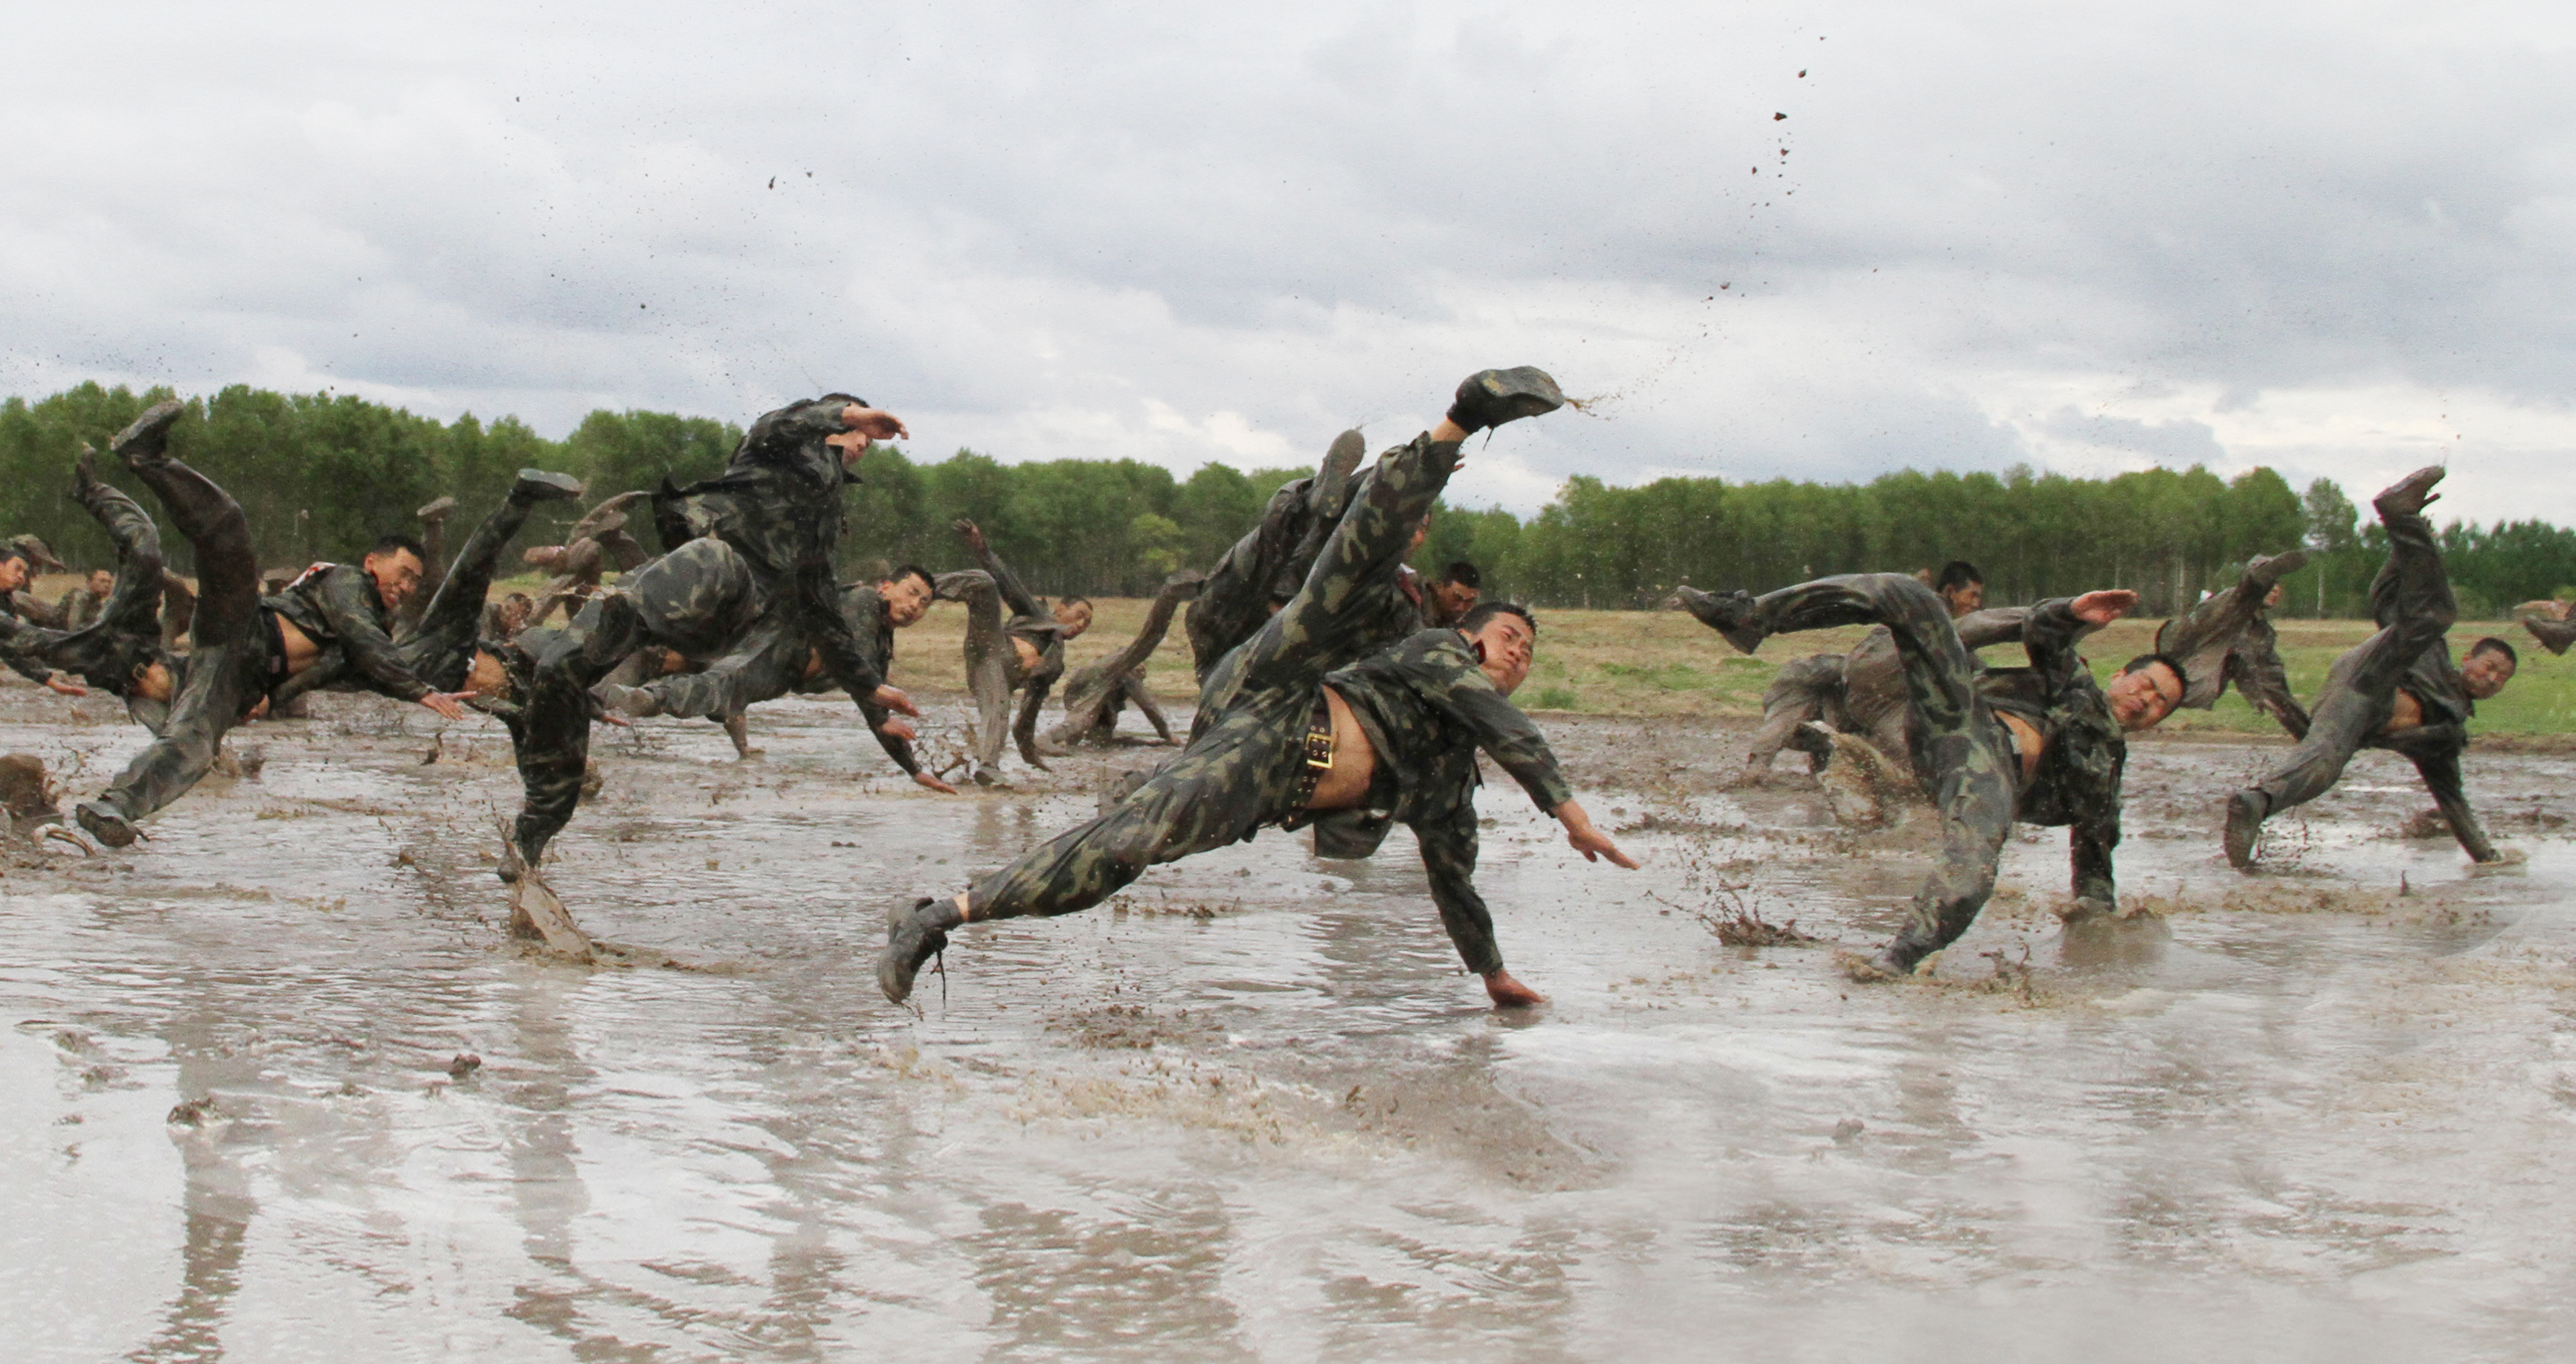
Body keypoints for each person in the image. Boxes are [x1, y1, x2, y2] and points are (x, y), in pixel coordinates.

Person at [878, 367, 1637, 1010]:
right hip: (1277, 697)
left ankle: (935, 914)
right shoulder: (1442, 654)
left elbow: (1456, 881)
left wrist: (1493, 976)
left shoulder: (1445, 779)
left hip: (1259, 775)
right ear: (1474, 635)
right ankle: (1447, 426)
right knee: (1339, 567)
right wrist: (1568, 813)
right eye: (1509, 638)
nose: (1516, 657)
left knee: (1121, 852)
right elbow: (1508, 727)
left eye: (1528, 654)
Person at [68, 400, 582, 846]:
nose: (404, 588)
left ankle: (112, 808)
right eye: (401, 574)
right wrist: (420, 691)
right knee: (227, 531)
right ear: (373, 561)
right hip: (243, 625)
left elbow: (336, 665)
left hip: (242, 676)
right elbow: (371, 632)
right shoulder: (347, 586)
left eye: (412, 583)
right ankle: (147, 458)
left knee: (194, 747)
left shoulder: (436, 660)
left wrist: (274, 697)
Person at [1675, 573, 2183, 979]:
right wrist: (2072, 611)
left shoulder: (2106, 778)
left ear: (2160, 720)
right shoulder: (2075, 685)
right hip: (1954, 716)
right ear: (2121, 675)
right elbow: (2046, 635)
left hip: (1988, 773)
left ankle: (1895, 960)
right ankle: (1750, 616)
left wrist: (2101, 938)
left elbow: (2094, 876)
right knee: (1909, 595)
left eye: (2161, 703)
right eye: (2147, 683)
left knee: (1973, 871)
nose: (2147, 699)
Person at [514, 395, 927, 875]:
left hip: (735, 611)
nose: (863, 442)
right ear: (823, 425)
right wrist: (849, 416)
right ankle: (532, 834)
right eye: (853, 431)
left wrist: (869, 691)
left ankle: (626, 645)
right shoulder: (768, 449)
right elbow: (777, 423)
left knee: (714, 560)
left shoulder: (824, 516)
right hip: (671, 587)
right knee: (556, 665)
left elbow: (820, 605)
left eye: (866, 437)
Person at [2222, 467, 2515, 870]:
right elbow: (2385, 599)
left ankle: (2255, 802)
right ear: (2470, 659)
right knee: (2432, 616)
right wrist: (2403, 544)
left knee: (2324, 767)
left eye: (2501, 679)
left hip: (2356, 714)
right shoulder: (2435, 652)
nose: (2492, 677)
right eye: (2490, 666)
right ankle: (2401, 516)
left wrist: (2489, 859)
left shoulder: (2446, 734)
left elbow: (2453, 803)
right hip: (2370, 674)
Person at [1183, 431, 1368, 685]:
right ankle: (1352, 489)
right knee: (1294, 541)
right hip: (1237, 625)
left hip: (1226, 620)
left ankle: (1323, 491)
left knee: (1278, 541)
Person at [936, 518, 1095, 783]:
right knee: (985, 582)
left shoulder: (1054, 664)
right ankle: (923, 587)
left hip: (993, 677)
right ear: (1059, 610)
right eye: (1079, 615)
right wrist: (980, 546)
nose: (1081, 625)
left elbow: (1028, 714)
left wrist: (1030, 752)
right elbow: (1006, 578)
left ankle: (988, 768)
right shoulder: (1035, 613)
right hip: (991, 644)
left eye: (1087, 623)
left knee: (1000, 707)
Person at [1041, 571, 1205, 750]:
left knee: (1099, 740)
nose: (1082, 625)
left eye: (1087, 622)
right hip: (1088, 686)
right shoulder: (1127, 668)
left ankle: (1063, 742)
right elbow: (1147, 705)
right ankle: (1045, 738)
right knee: (1080, 722)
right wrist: (1167, 735)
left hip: (1090, 690)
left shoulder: (1118, 669)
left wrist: (1146, 743)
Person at [0, 545, 88, 695]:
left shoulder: (7, 602)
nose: (22, 576)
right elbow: (16, 632)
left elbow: (10, 649)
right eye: (17, 568)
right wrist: (76, 641)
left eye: (24, 572)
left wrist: (53, 683)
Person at [1423, 561, 1482, 628]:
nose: (1461, 608)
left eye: (1469, 601)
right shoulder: (1415, 606)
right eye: (1457, 598)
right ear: (1440, 588)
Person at [57, 568, 115, 632]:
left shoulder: (95, 599)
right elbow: (73, 627)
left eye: (109, 582)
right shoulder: (82, 597)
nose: (106, 585)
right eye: (101, 581)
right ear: (89, 582)